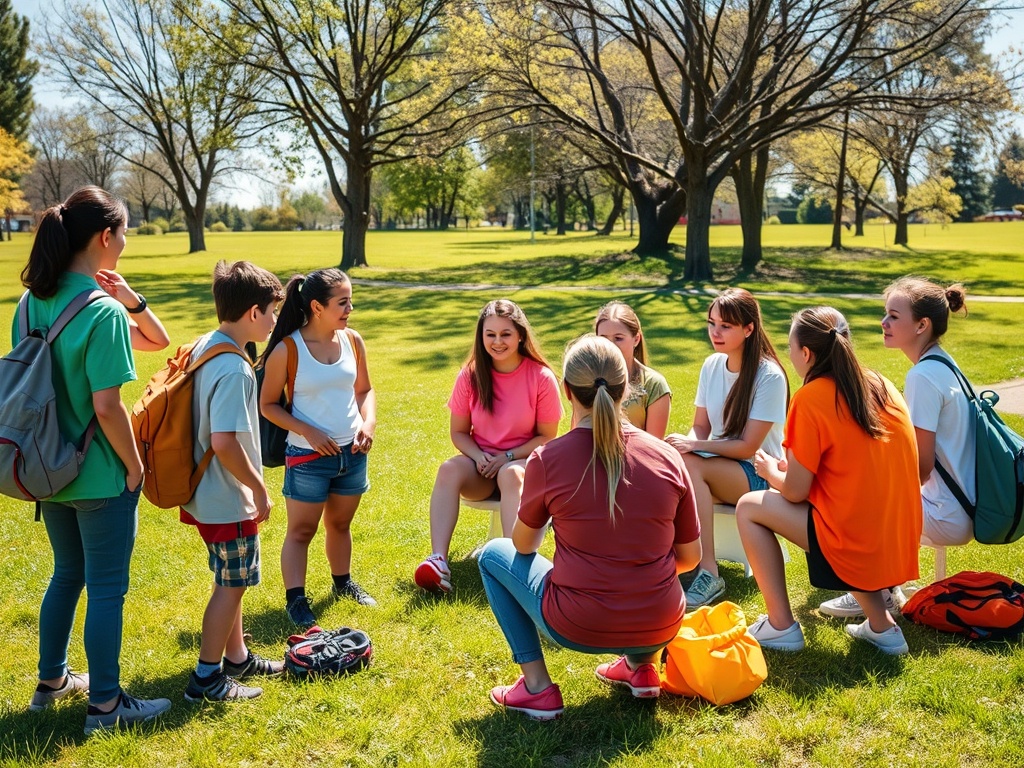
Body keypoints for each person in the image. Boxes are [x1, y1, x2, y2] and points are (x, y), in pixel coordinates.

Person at [478, 335, 701, 720]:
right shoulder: (667, 456)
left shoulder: (547, 459)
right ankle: (643, 668)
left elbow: (523, 546)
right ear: (626, 389)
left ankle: (537, 688)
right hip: (661, 621)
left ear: (566, 390)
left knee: (492, 555)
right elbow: (690, 557)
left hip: (577, 624)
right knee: (648, 575)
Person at [18, 186, 172, 735]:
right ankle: (106, 706)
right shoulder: (100, 311)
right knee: (107, 588)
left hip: (44, 465)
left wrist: (133, 299)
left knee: (66, 574)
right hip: (99, 473)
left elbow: (156, 340)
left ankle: (51, 681)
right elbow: (108, 407)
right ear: (106, 236)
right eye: (124, 233)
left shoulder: (31, 302)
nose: (126, 242)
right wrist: (135, 467)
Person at [736, 307, 922, 655]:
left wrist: (769, 471)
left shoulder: (811, 397)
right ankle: (883, 628)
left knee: (749, 507)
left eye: (790, 348)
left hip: (857, 538)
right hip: (899, 534)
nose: (790, 355)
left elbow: (795, 491)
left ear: (806, 353)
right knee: (842, 515)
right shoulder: (881, 383)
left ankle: (780, 626)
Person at [818, 277, 972, 618]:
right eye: (885, 314)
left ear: (922, 325)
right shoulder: (944, 363)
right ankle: (886, 588)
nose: (883, 322)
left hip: (946, 512)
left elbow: (920, 467)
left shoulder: (923, 377)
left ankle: (875, 591)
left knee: (852, 500)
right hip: (963, 503)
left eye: (894, 316)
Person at [181, 260, 287, 701]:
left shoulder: (207, 345)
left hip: (205, 492)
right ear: (253, 312)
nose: (274, 321)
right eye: (272, 312)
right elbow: (224, 441)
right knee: (233, 584)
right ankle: (207, 678)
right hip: (227, 496)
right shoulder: (235, 368)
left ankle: (237, 656)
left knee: (229, 578)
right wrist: (258, 488)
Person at [415, 299, 562, 593]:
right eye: (490, 334)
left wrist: (507, 457)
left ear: (520, 336)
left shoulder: (541, 377)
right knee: (448, 469)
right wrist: (479, 456)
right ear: (481, 337)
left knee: (511, 474)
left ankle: (514, 566)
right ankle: (438, 562)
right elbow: (459, 433)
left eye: (505, 334)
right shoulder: (470, 375)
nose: (497, 342)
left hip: (524, 467)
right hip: (481, 468)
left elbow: (547, 437)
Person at [259, 269, 377, 629]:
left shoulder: (353, 340)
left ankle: (343, 584)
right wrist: (308, 431)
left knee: (340, 524)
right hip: (308, 458)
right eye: (343, 302)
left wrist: (368, 424)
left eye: (350, 301)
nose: (350, 309)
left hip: (352, 455)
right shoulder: (288, 350)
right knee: (301, 531)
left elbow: (364, 390)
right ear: (316, 307)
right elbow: (268, 405)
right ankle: (296, 600)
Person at [665, 288, 788, 608]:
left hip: (760, 474)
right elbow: (700, 426)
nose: (715, 332)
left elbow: (749, 447)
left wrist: (694, 446)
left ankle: (708, 571)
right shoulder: (712, 365)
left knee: (690, 464)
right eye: (711, 323)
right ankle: (664, 565)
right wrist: (686, 446)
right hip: (719, 466)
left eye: (725, 326)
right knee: (675, 465)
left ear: (749, 329)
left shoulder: (769, 375)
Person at [594, 300, 671, 438]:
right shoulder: (587, 378)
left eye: (618, 338)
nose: (610, 345)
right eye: (604, 338)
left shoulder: (653, 384)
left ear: (636, 339)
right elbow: (577, 434)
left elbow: (654, 444)